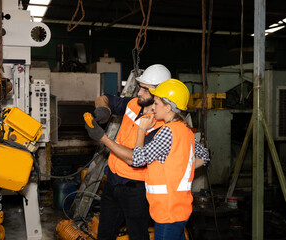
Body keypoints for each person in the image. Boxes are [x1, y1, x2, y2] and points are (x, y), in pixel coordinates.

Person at [89, 65, 209, 240]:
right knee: (105, 234)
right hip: (113, 181)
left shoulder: (164, 128)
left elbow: (135, 158)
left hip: (136, 191)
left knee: (138, 235)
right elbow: (103, 98)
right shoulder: (133, 104)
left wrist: (103, 138)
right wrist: (103, 110)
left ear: (161, 95)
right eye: (140, 87)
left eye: (146, 89)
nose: (139, 92)